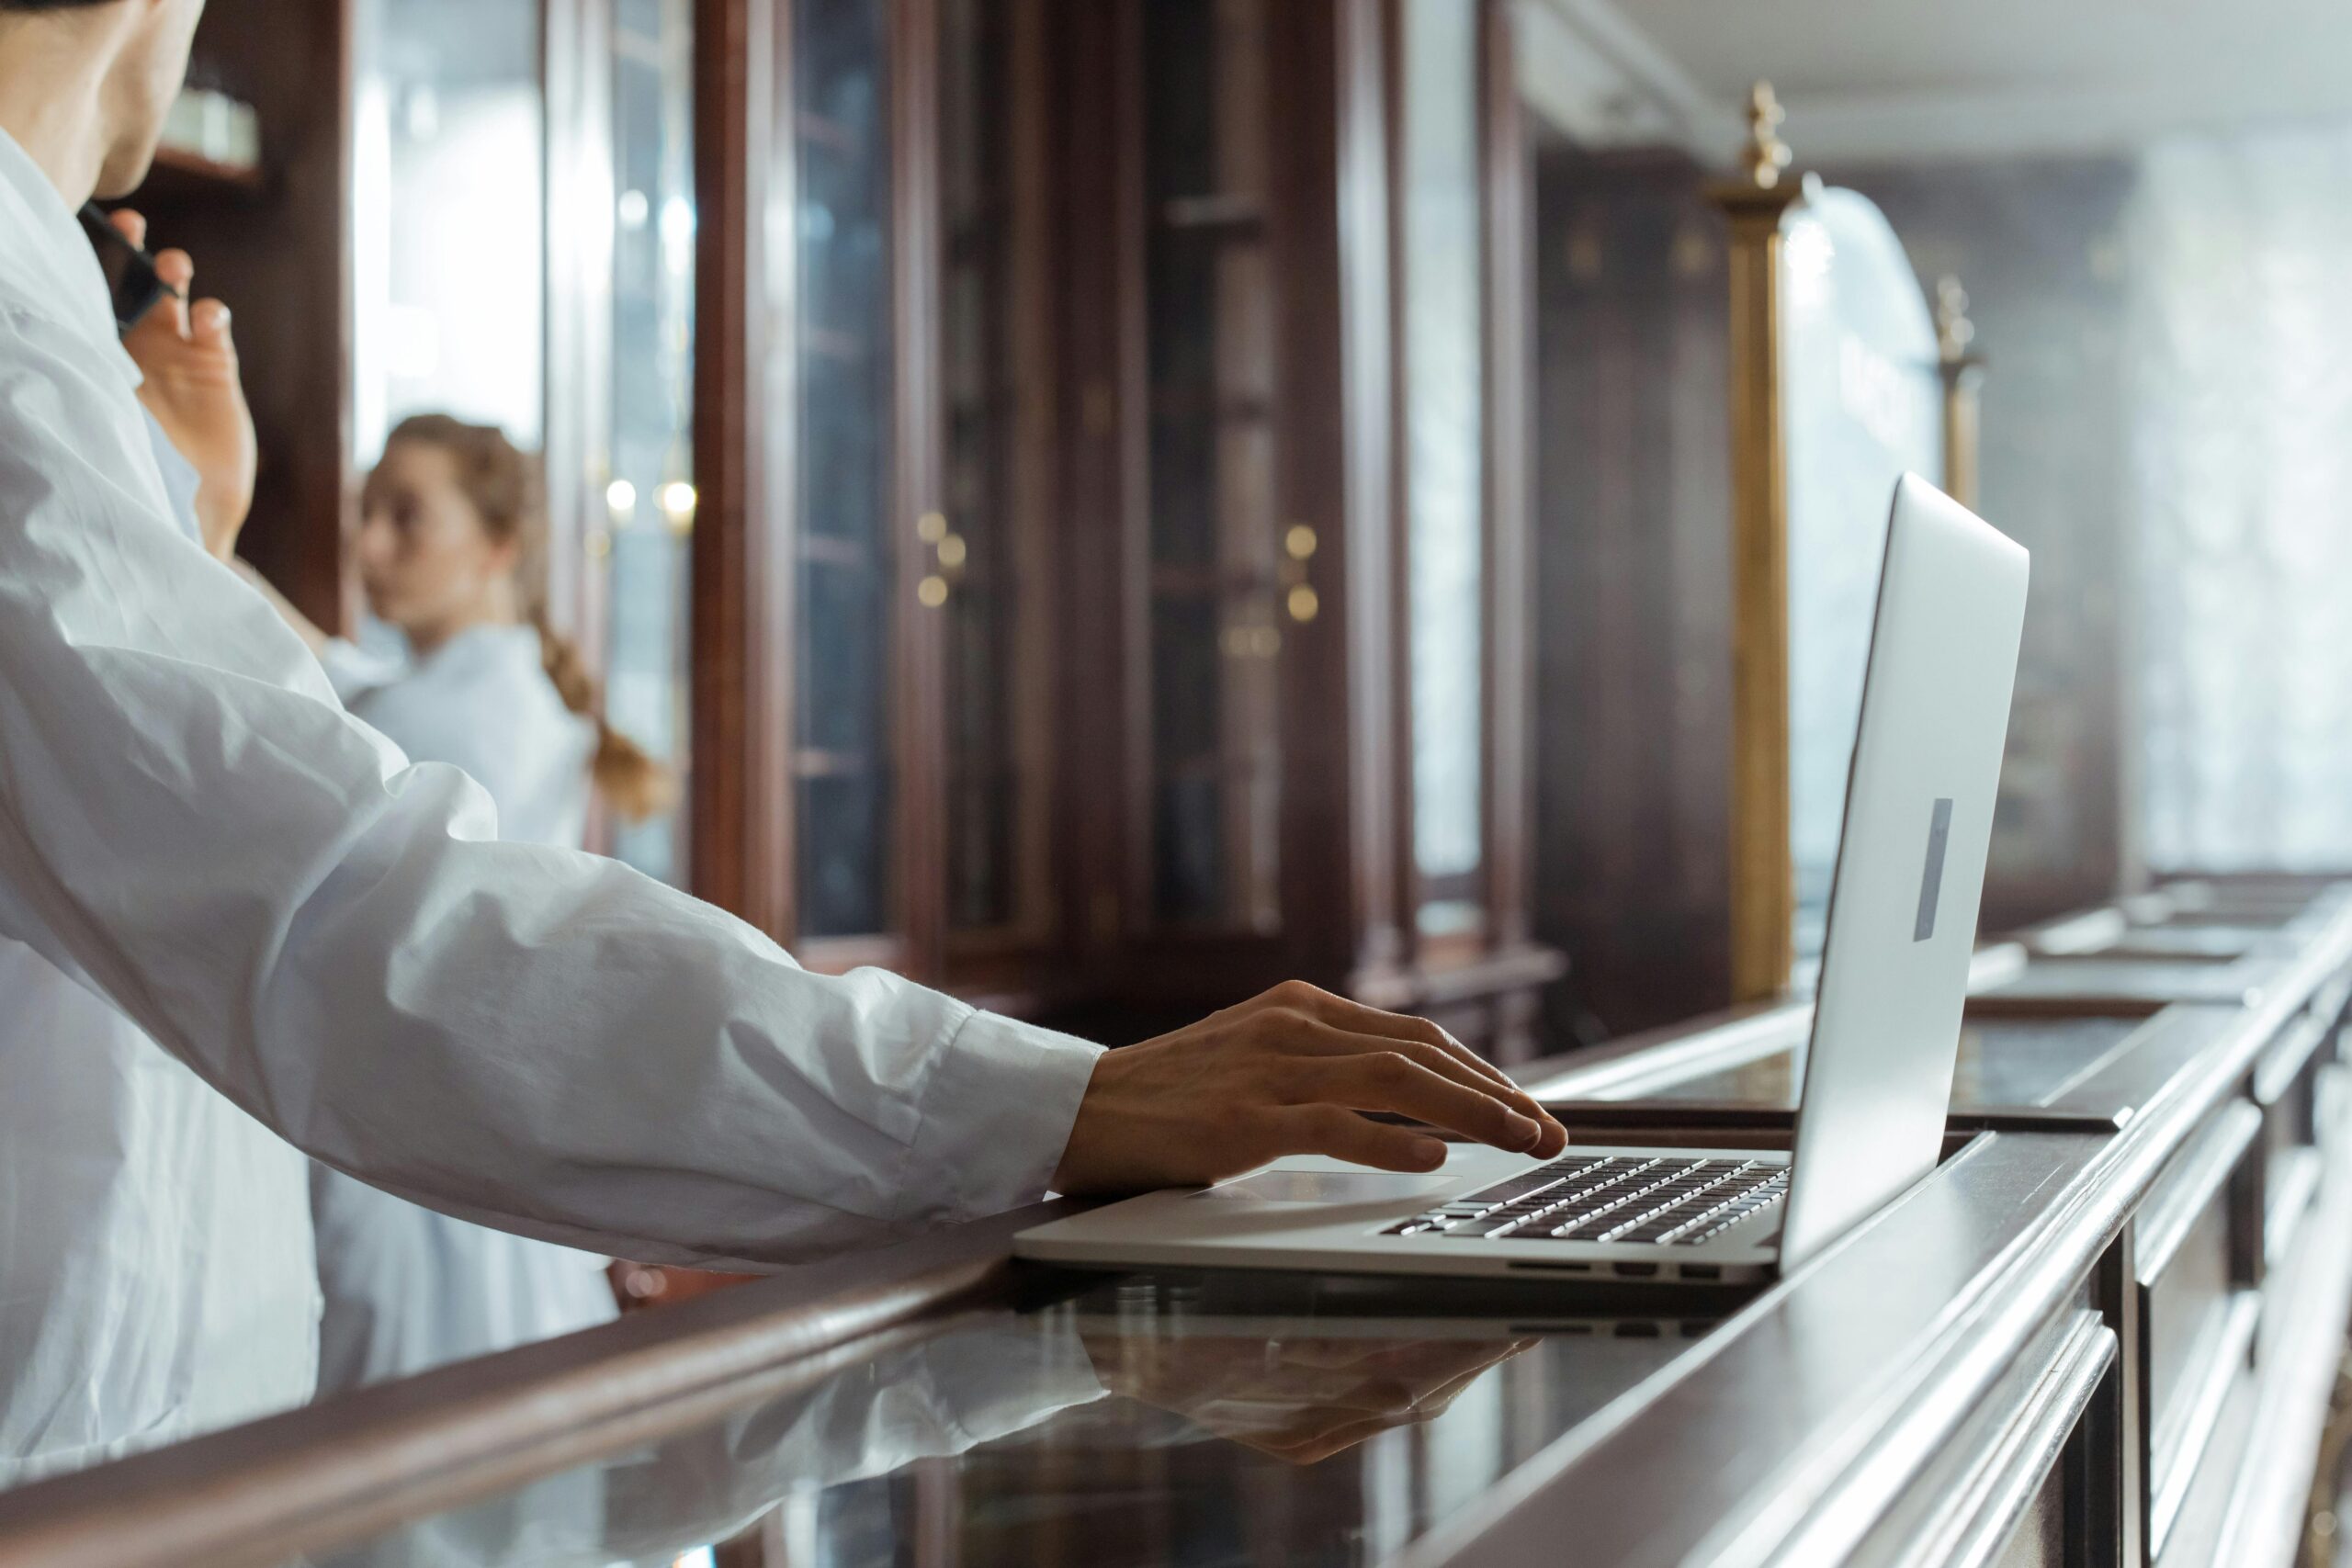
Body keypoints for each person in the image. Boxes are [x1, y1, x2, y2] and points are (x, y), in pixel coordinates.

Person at [0, 0, 1566, 1486]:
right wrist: (1040, 1106)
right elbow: (346, 913)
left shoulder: (49, 343)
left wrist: (187, 541)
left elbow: (203, 835)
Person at [246, 415, 675, 1390]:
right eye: (367, 514)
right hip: (469, 1156)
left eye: (406, 519)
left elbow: (318, 705)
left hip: (427, 1177)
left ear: (498, 547)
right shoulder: (472, 688)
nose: (369, 547)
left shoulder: (467, 713)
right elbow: (335, 672)